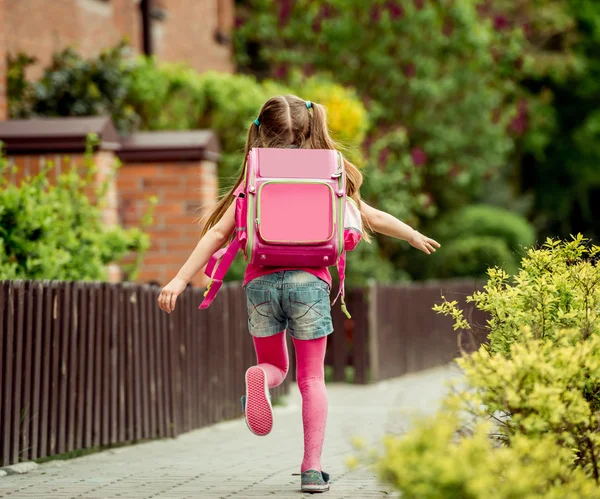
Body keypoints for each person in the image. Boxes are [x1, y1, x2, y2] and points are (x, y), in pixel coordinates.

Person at [157, 95, 440, 493]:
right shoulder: (331, 172)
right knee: (311, 379)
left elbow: (219, 234)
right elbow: (371, 216)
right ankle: (311, 468)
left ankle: (259, 377)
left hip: (261, 283)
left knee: (276, 366)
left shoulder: (253, 177)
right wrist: (411, 234)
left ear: (262, 131)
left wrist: (179, 279)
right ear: (310, 129)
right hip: (310, 284)